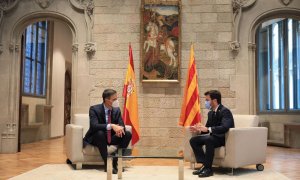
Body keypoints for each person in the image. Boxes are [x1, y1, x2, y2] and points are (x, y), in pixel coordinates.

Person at [83, 89, 132, 174]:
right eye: (114, 99)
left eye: (116, 99)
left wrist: (119, 129)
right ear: (107, 100)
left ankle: (115, 160)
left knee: (127, 134)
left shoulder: (116, 110)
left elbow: (122, 126)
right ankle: (107, 164)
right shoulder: (94, 109)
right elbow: (94, 126)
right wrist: (112, 126)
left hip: (111, 138)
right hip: (98, 138)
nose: (116, 101)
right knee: (100, 133)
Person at [189, 90, 234, 178]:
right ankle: (205, 165)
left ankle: (208, 169)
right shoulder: (210, 113)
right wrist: (198, 130)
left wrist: (208, 129)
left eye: (207, 100)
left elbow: (225, 127)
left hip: (223, 138)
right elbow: (207, 129)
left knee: (209, 139)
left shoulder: (225, 111)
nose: (206, 102)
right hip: (213, 137)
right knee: (194, 140)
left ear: (214, 100)